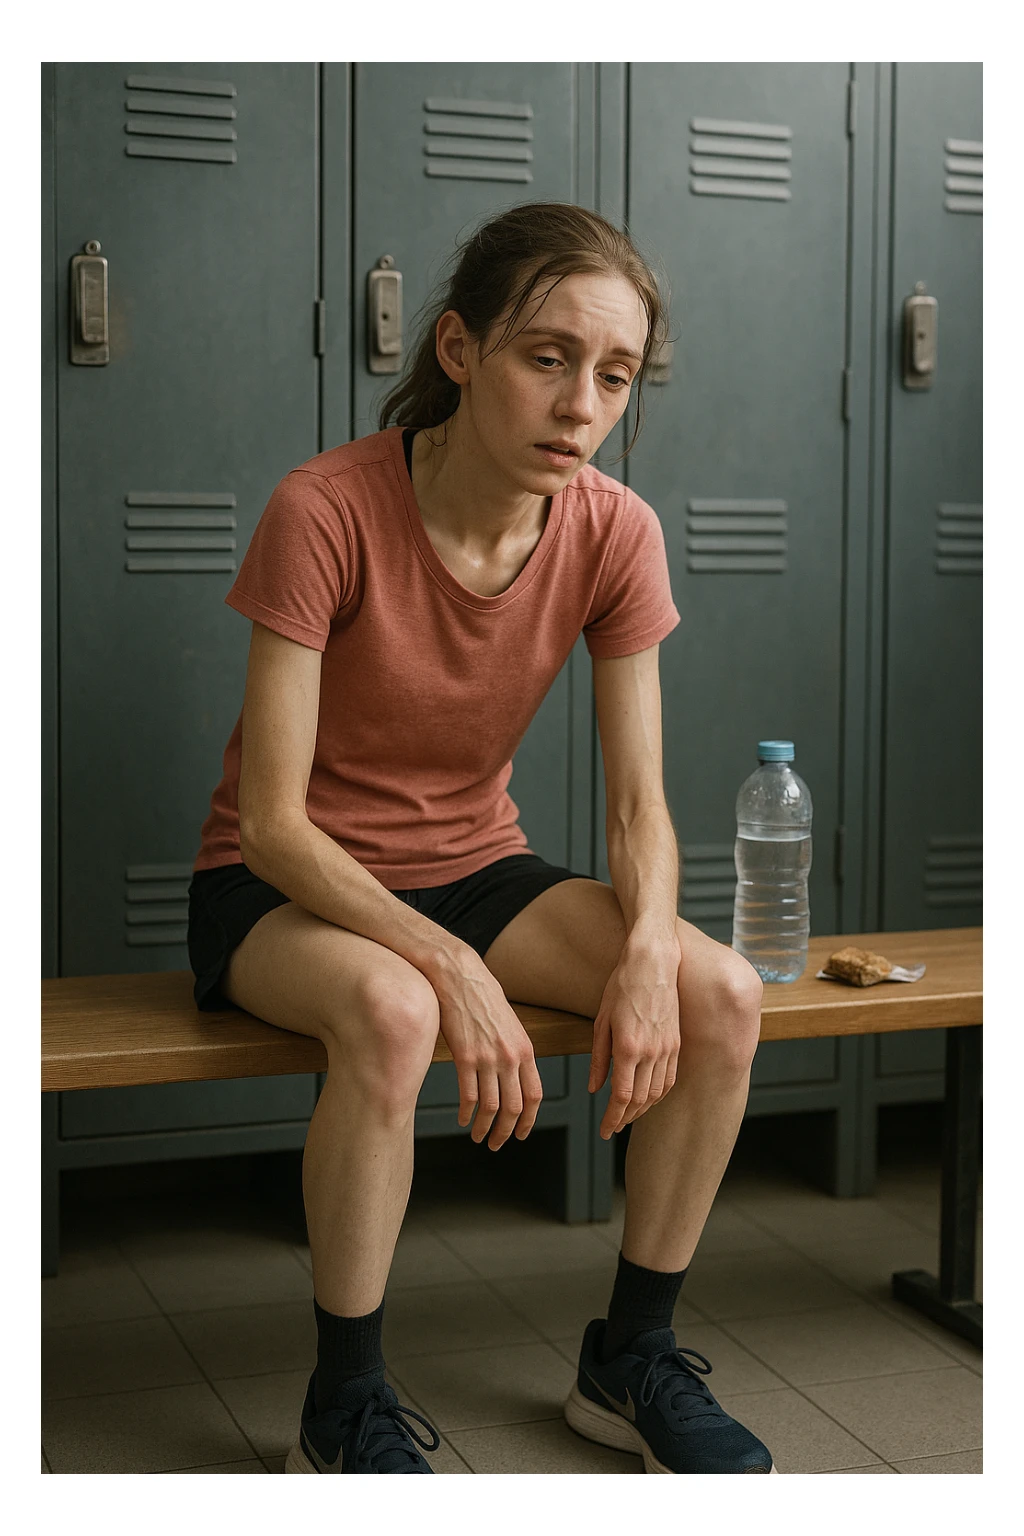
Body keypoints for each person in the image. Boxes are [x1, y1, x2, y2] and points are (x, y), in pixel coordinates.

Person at [187, 202, 773, 1476]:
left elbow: (637, 807)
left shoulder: (615, 528)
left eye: (613, 375)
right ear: (458, 349)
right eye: (545, 357)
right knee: (396, 1010)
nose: (580, 404)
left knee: (720, 990)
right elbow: (276, 823)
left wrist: (648, 953)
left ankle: (628, 1358)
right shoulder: (326, 508)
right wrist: (448, 966)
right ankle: (341, 1408)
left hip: (474, 867)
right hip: (283, 889)